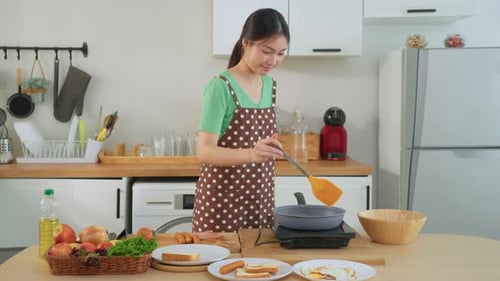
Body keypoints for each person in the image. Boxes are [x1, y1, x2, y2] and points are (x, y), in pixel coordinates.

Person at [192, 8, 290, 232]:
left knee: (258, 266)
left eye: (281, 53)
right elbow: (204, 151)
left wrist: (269, 147)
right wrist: (251, 154)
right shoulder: (221, 86)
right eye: (267, 51)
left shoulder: (270, 86)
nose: (273, 60)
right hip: (221, 203)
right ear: (246, 43)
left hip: (259, 201)